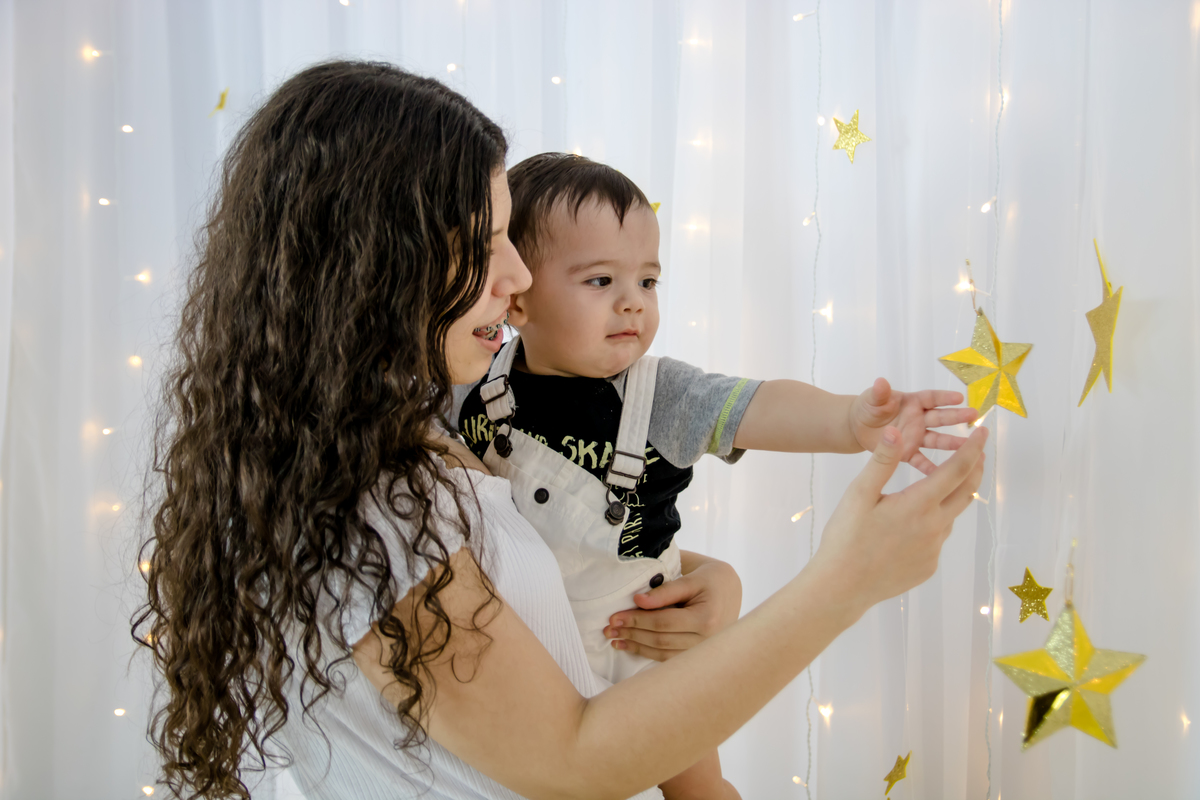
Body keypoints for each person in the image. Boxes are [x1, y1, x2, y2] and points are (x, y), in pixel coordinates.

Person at [135, 61, 987, 800]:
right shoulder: (384, 501)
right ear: (375, 260)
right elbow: (574, 760)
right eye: (489, 239)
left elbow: (514, 577)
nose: (513, 279)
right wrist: (843, 583)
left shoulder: (370, 454)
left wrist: (702, 579)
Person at [451, 154, 979, 799]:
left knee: (699, 787)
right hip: (528, 650)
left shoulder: (661, 394)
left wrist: (847, 421)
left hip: (645, 637)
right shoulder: (474, 385)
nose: (632, 304)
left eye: (648, 282)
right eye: (599, 281)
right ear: (519, 299)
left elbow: (758, 405)